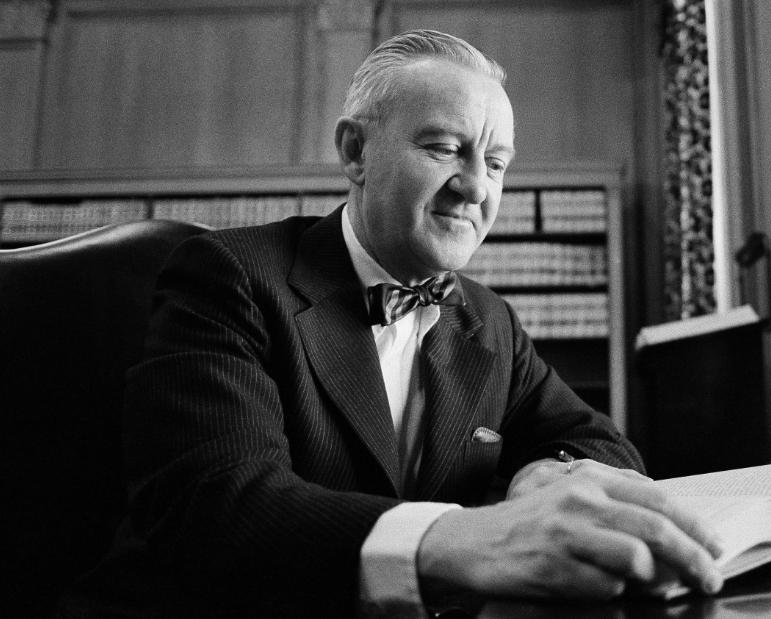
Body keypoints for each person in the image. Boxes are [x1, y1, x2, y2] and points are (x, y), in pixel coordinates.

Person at [62, 30, 723, 617]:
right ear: (356, 151)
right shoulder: (227, 275)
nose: (475, 186)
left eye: (495, 163)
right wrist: (460, 539)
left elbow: (600, 441)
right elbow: (217, 508)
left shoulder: (488, 319)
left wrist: (543, 473)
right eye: (445, 149)